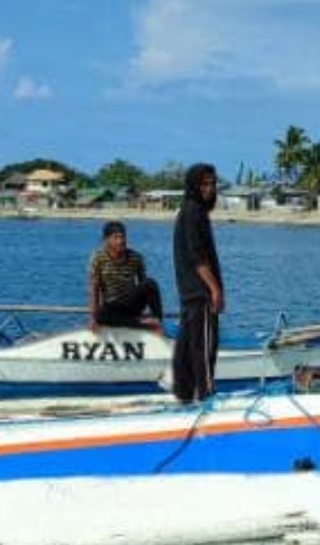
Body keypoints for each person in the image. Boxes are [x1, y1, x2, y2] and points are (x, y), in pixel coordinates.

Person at [170, 163, 224, 403]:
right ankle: (204, 393)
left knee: (187, 345)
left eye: (212, 184)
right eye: (204, 184)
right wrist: (214, 289)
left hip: (189, 290)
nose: (209, 189)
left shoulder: (190, 211)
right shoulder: (193, 212)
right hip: (199, 291)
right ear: (194, 186)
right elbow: (197, 257)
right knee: (204, 346)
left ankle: (183, 393)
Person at [87, 221, 165, 333]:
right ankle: (143, 324)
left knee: (150, 283)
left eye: (123, 237)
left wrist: (153, 312)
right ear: (107, 239)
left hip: (131, 303)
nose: (121, 241)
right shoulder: (97, 258)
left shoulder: (136, 257)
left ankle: (157, 321)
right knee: (100, 316)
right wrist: (92, 318)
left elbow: (144, 287)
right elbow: (94, 289)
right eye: (116, 238)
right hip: (112, 306)